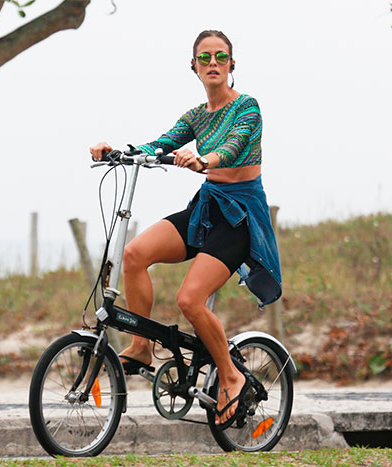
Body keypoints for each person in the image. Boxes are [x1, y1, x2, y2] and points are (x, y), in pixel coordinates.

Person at [90, 30, 282, 429]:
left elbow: (232, 146)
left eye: (221, 57)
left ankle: (229, 375)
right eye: (205, 57)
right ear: (193, 66)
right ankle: (141, 347)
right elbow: (160, 143)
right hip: (207, 209)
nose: (213, 63)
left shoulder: (247, 107)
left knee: (190, 300)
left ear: (232, 64)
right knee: (133, 255)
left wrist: (203, 160)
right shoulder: (196, 115)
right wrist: (117, 154)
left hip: (240, 216)